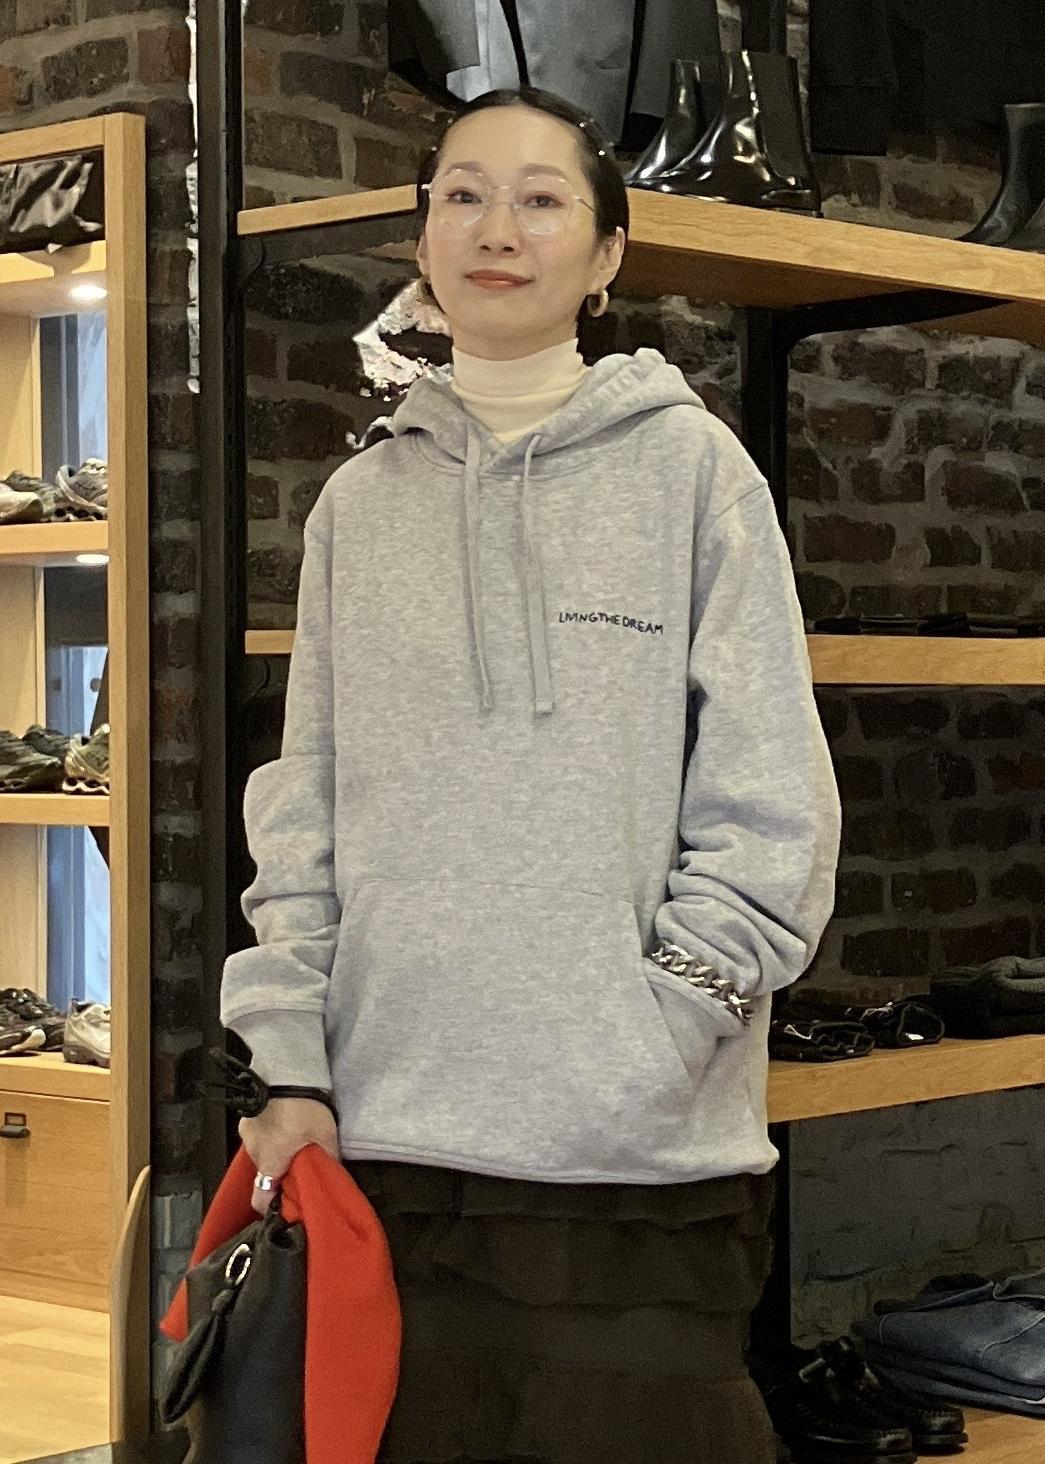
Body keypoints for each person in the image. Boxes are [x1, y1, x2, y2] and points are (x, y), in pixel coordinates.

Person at [220, 85, 842, 1464]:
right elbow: (304, 805)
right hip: (388, 1152)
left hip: (638, 1164)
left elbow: (771, 806)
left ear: (607, 254)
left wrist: (665, 1017)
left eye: (542, 199)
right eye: (462, 194)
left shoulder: (695, 474)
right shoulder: (358, 506)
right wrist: (287, 1061)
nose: (496, 228)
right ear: (421, 240)